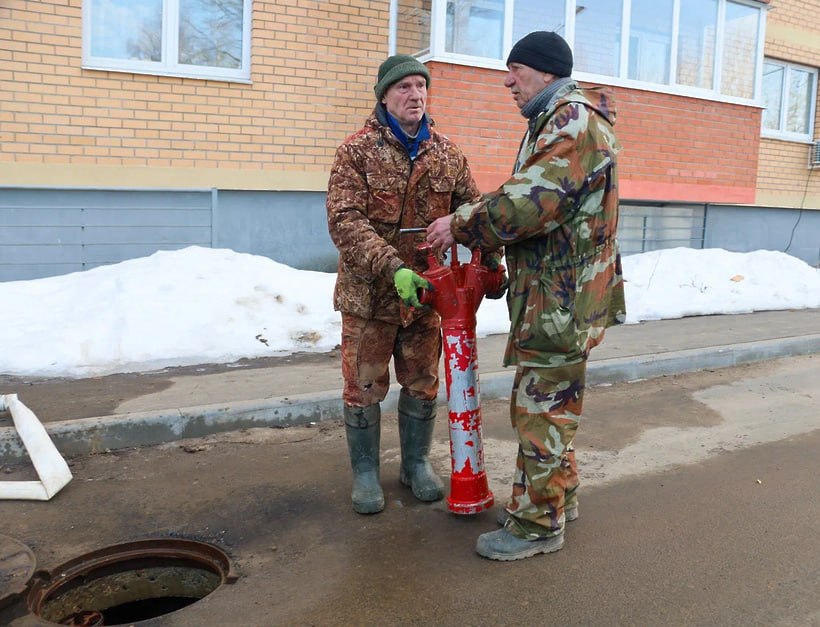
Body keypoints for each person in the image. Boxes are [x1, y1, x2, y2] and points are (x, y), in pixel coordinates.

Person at [426, 31, 626, 560]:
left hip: (561, 301)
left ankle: (536, 525)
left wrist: (460, 224)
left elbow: (527, 205)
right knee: (555, 403)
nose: (507, 81)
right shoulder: (558, 119)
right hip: (560, 295)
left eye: (515, 69)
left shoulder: (571, 122)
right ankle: (560, 496)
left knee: (541, 409)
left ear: (543, 71)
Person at [326, 54, 488, 514]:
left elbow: (474, 213)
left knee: (422, 383)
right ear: (384, 95)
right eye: (404, 87)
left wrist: (488, 264)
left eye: (421, 86)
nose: (415, 94)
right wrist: (391, 266)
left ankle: (415, 464)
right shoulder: (356, 152)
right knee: (364, 387)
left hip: (426, 296)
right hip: (370, 295)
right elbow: (344, 220)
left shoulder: (447, 154)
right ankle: (364, 474)